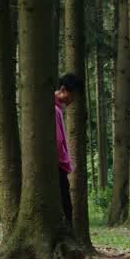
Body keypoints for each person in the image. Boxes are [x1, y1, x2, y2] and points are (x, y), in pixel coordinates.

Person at [55, 73, 83, 224]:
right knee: (66, 207)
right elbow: (58, 141)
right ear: (63, 89)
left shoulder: (57, 108)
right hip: (57, 166)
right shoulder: (54, 109)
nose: (73, 100)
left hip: (59, 165)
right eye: (73, 95)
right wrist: (64, 161)